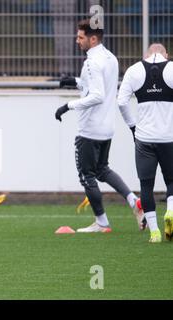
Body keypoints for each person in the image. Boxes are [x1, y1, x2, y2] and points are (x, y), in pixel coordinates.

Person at [55, 19, 143, 233]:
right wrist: (75, 81)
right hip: (106, 127)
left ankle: (101, 222)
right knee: (102, 169)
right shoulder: (110, 58)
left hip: (90, 129)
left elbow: (96, 95)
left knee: (87, 175)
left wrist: (68, 105)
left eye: (81, 37)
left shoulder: (92, 62)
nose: (77, 41)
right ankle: (134, 201)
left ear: (93, 38)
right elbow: (98, 85)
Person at [117, 43, 173, 243]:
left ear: (147, 54)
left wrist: (132, 127)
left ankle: (155, 232)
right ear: (166, 54)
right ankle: (171, 213)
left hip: (144, 139)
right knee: (172, 181)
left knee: (146, 185)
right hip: (169, 138)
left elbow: (121, 101)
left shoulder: (134, 70)